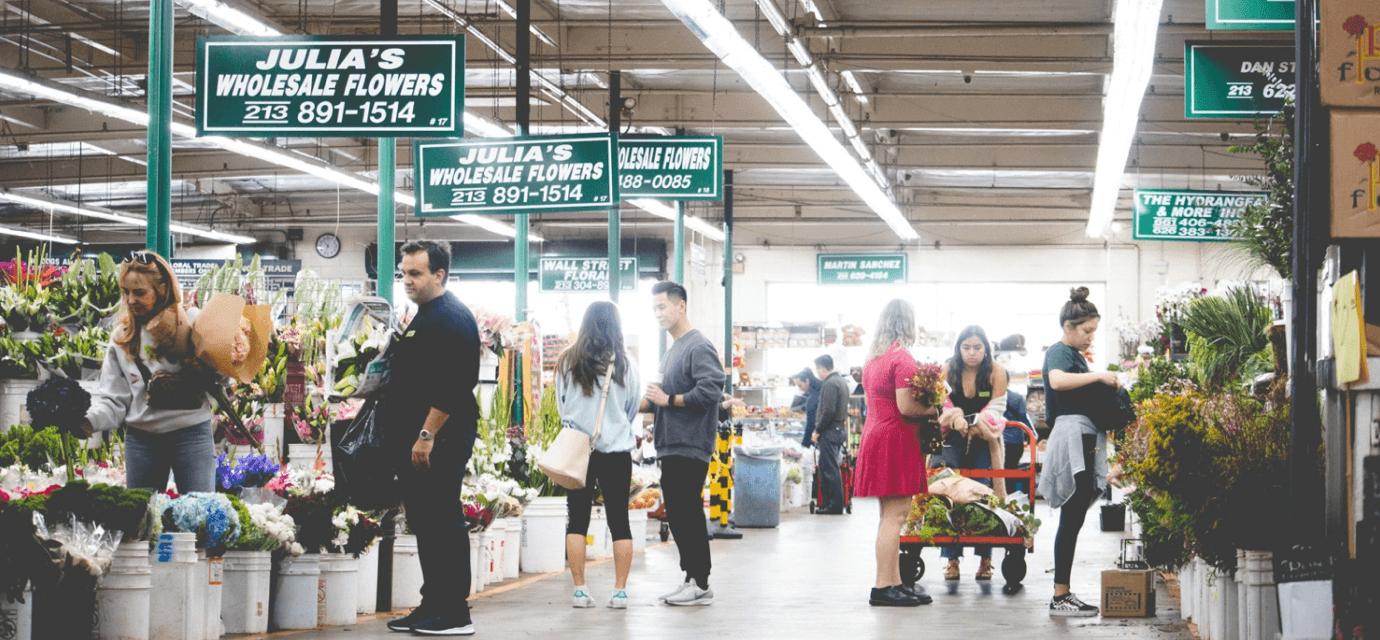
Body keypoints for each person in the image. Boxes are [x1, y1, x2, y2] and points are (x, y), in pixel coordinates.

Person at [383, 241, 481, 636]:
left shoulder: (451, 318)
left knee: (442, 519)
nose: (406, 280)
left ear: (438, 274)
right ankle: (432, 604)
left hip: (441, 436)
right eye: (403, 273)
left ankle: (455, 612)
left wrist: (426, 435)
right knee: (425, 520)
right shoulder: (426, 314)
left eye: (415, 273)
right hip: (420, 437)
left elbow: (456, 385)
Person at [83, 250, 215, 493]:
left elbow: (224, 380)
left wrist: (210, 368)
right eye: (126, 292)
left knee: (200, 516)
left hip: (191, 434)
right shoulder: (122, 337)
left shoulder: (192, 322)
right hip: (142, 439)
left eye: (140, 292)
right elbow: (114, 400)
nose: (131, 300)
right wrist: (87, 421)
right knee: (141, 517)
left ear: (162, 290)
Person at [641, 281, 726, 606]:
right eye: (654, 309)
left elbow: (710, 392)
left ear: (681, 306)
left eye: (662, 307)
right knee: (677, 513)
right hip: (671, 443)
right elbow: (657, 398)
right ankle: (691, 577)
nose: (658, 314)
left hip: (690, 444)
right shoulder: (673, 349)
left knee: (687, 512)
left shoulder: (697, 345)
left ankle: (701, 582)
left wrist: (669, 398)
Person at [556, 301, 642, 610]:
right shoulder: (626, 364)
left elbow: (561, 405)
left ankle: (580, 590)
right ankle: (619, 592)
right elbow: (632, 406)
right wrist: (614, 426)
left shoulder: (567, 360)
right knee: (619, 520)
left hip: (578, 449)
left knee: (576, 520)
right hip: (617, 451)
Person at [1038, 286, 1117, 618]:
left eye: (1094, 331)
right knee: (1071, 518)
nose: (1090, 337)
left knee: (1075, 517)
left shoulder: (1076, 356)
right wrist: (1099, 376)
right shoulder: (1059, 352)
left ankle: (1063, 592)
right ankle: (1061, 595)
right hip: (1072, 437)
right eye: (1087, 330)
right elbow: (1056, 381)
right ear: (1068, 327)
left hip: (1082, 437)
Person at [853, 299, 938, 607]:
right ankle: (883, 586)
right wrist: (935, 408)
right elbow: (906, 406)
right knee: (895, 516)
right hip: (895, 439)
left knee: (888, 516)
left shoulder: (873, 359)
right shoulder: (902, 359)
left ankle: (892, 582)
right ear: (909, 323)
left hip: (876, 434)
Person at [934, 326, 1007, 581]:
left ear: (986, 349)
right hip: (951, 436)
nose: (972, 353)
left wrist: (978, 423)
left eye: (978, 347)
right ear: (959, 348)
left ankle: (985, 559)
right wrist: (954, 419)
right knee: (946, 488)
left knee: (983, 489)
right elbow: (941, 402)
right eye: (967, 347)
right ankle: (951, 559)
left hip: (984, 437)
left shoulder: (997, 371)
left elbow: (998, 406)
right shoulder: (947, 369)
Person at [811, 354, 850, 515]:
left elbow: (827, 411)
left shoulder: (830, 384)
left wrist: (817, 430)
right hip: (838, 429)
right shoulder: (841, 381)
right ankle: (828, 503)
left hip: (829, 431)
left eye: (817, 370)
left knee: (830, 469)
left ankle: (834, 506)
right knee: (829, 466)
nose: (817, 373)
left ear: (822, 369)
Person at [1001, 371, 1034, 496]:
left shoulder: (988, 397)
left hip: (993, 441)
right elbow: (1025, 420)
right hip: (1014, 443)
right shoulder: (1017, 398)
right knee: (1011, 473)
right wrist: (1034, 437)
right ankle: (1010, 502)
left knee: (994, 474)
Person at [794, 368, 822, 447]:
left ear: (807, 380)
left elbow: (811, 423)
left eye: (800, 385)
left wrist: (804, 445)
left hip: (818, 437)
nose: (799, 388)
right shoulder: (822, 387)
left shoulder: (813, 396)